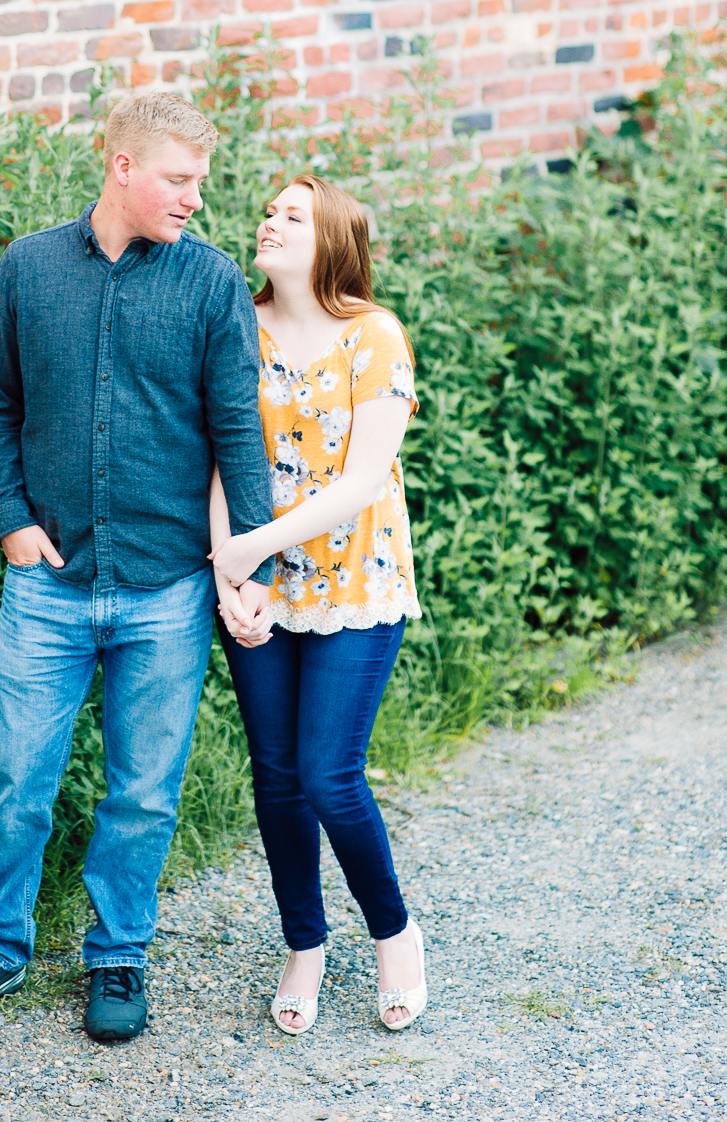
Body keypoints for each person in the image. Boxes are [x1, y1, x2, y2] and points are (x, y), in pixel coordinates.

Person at [0, 93, 275, 1044]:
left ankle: (118, 955)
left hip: (168, 587)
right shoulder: (29, 270)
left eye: (200, 179)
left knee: (143, 792)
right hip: (47, 583)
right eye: (178, 178)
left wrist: (249, 565)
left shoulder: (210, 283)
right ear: (121, 165)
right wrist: (10, 525)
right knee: (14, 777)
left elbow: (236, 430)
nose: (196, 198)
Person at [208, 175, 426, 1037]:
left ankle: (396, 939)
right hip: (260, 585)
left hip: (357, 583)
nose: (270, 221)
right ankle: (305, 945)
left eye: (291, 216)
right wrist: (236, 576)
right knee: (276, 779)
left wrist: (254, 547)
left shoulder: (374, 336)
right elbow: (227, 457)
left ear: (332, 240)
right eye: (268, 211)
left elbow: (364, 479)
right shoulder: (239, 330)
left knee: (329, 775)